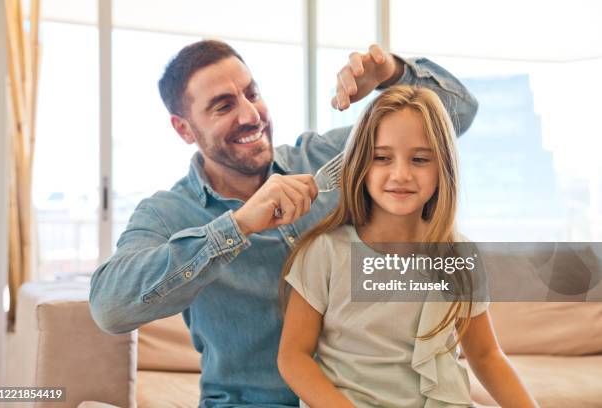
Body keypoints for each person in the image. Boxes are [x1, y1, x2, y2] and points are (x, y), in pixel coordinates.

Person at [89, 40, 478, 407]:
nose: (250, 114)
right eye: (223, 106)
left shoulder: (323, 160)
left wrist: (392, 73)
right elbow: (110, 308)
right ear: (184, 128)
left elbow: (454, 116)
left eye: (252, 93)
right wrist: (236, 227)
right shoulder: (168, 214)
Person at [277, 85, 537, 408]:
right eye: (382, 158)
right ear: (360, 164)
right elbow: (292, 356)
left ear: (442, 168)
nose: (400, 174)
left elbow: (485, 355)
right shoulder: (324, 252)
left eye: (419, 159)